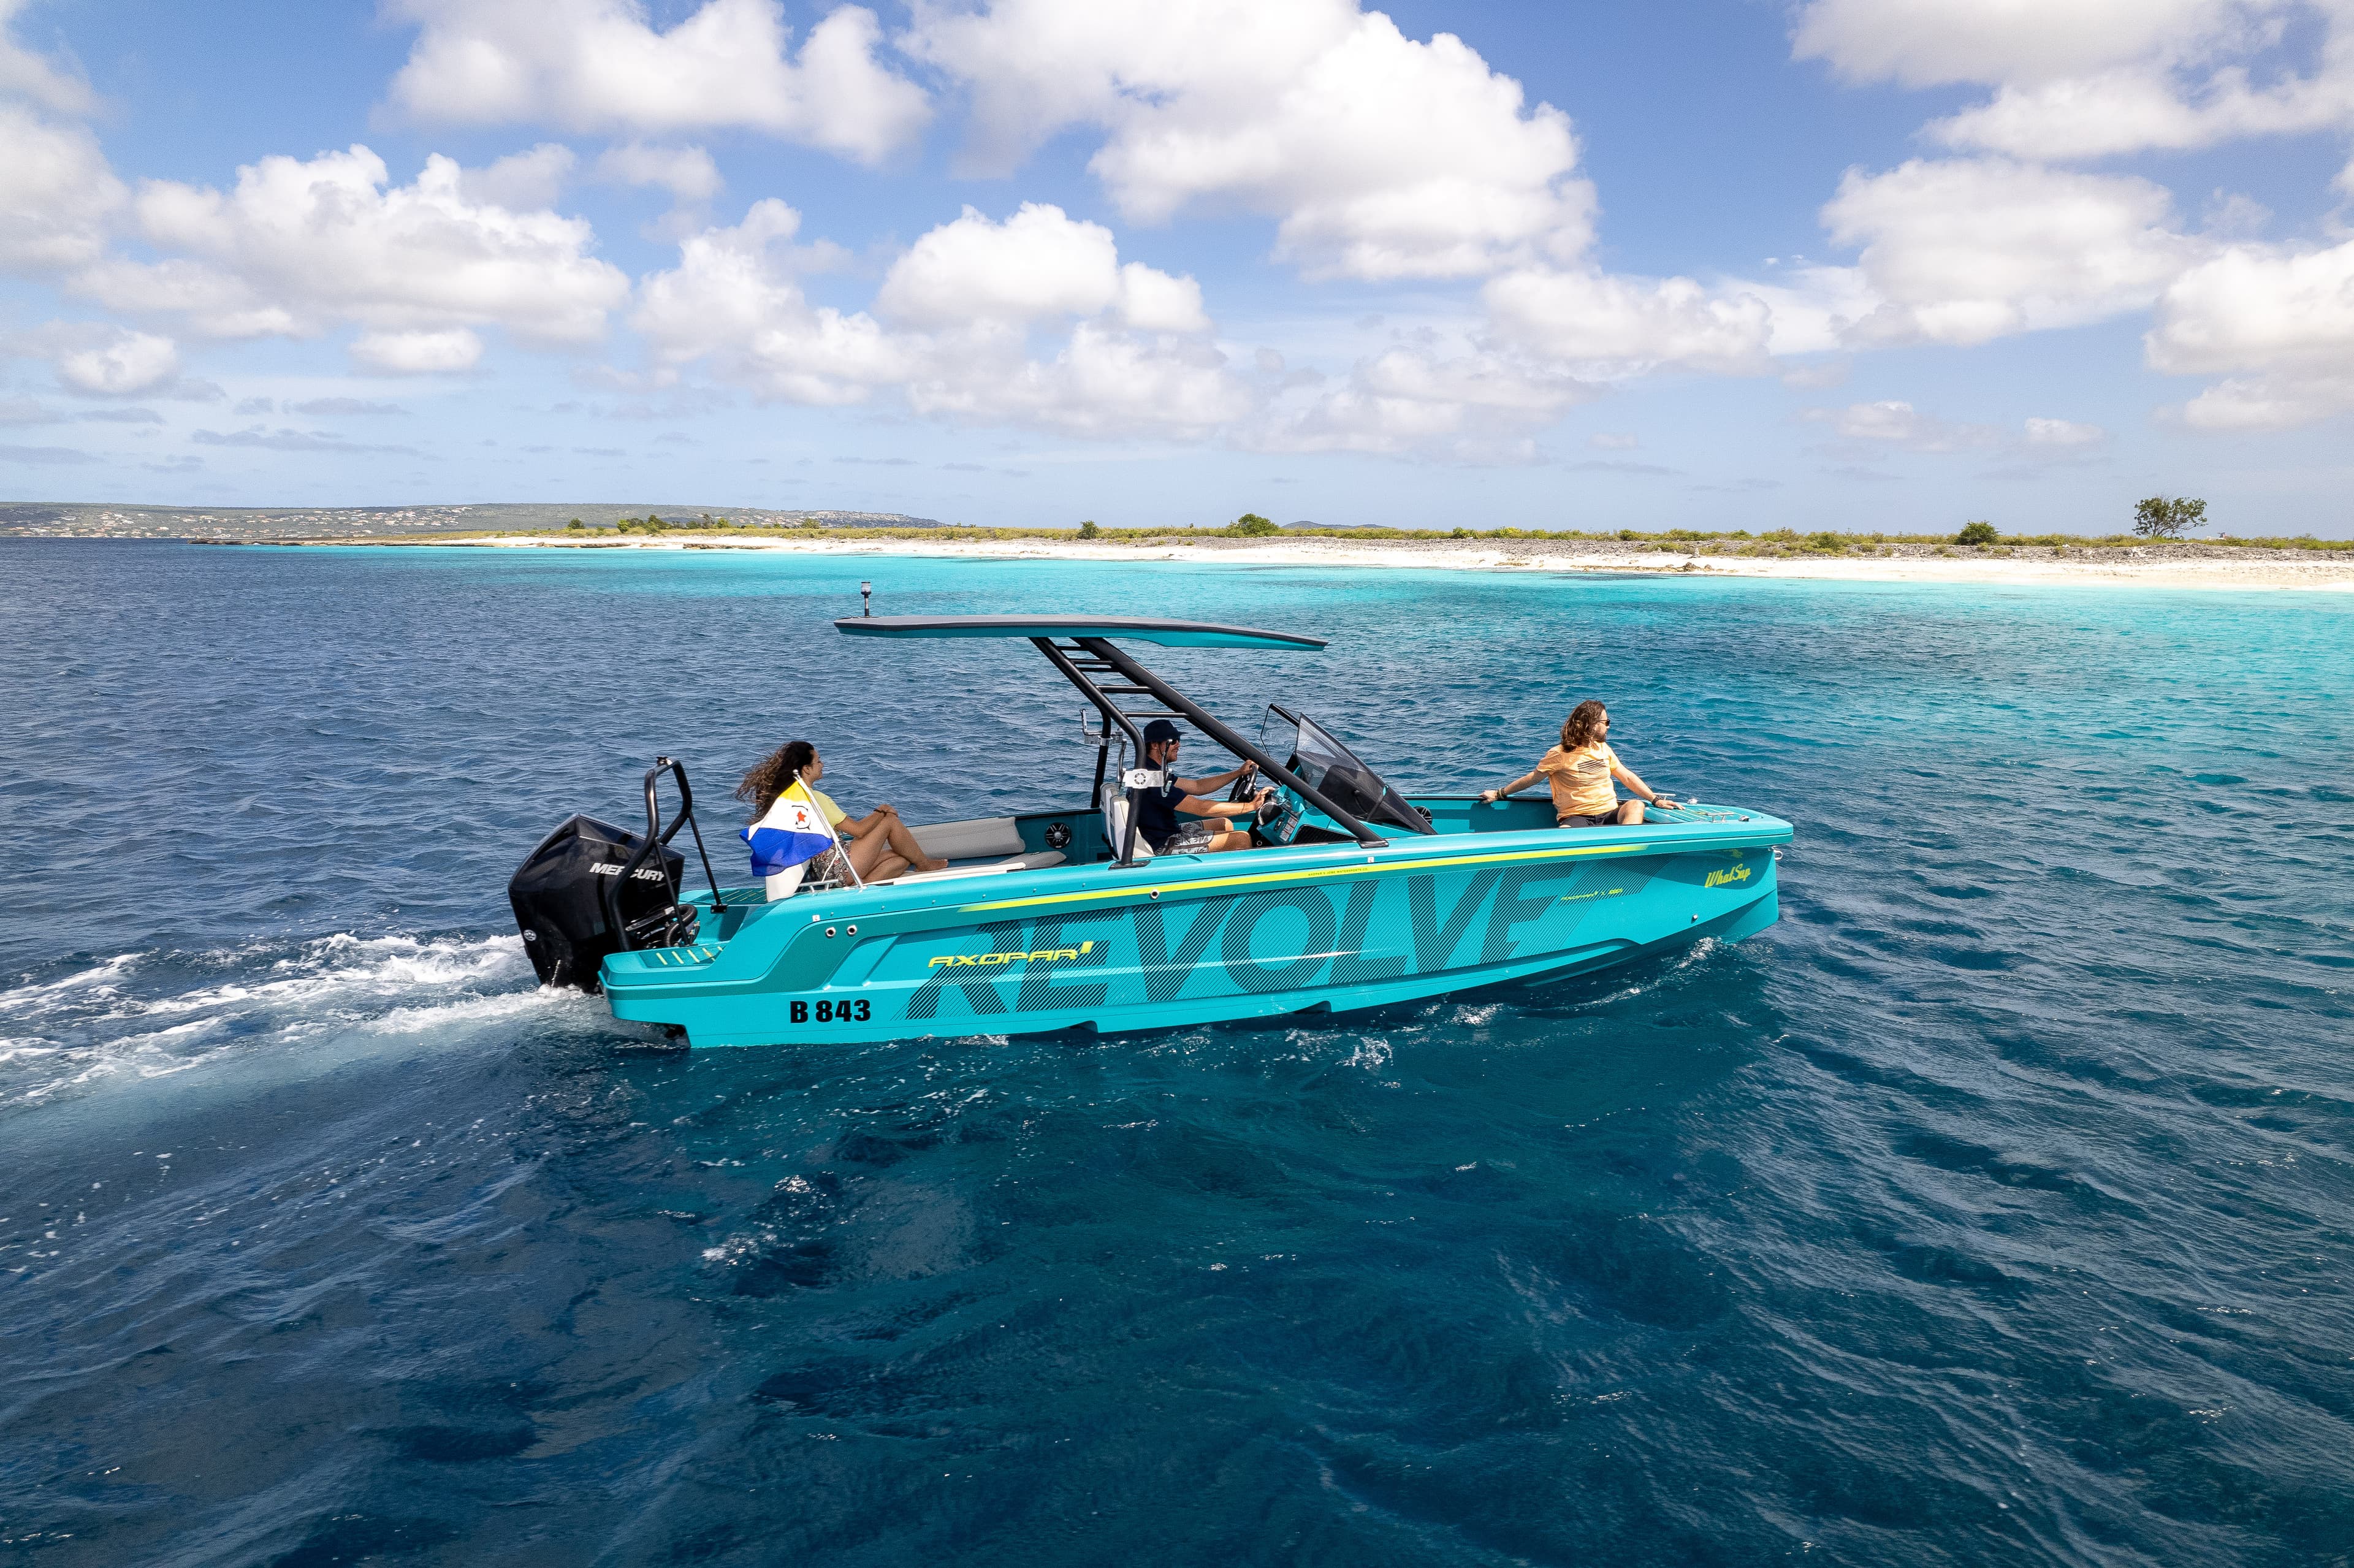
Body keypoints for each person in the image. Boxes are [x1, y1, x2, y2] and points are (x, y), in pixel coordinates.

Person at [736, 740, 947, 884]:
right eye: (818, 761)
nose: (822, 764)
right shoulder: (815, 799)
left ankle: (862, 885)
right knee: (889, 820)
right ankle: (925, 865)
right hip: (838, 866)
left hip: (824, 870)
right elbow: (858, 831)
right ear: (807, 769)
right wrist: (880, 811)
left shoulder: (793, 800)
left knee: (901, 858)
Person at [1477, 700, 1677, 827]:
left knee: (1635, 805)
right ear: (1591, 725)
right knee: (1563, 837)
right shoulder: (1559, 754)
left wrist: (1655, 800)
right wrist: (1499, 794)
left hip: (1609, 813)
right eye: (1606, 722)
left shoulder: (1602, 748)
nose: (1608, 727)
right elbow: (1532, 779)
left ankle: (1625, 854)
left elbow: (1627, 777)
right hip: (1578, 817)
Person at [1126, 718, 1273, 854]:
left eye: (1179, 740)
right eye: (1174, 741)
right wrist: (1251, 806)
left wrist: (1238, 773)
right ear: (1155, 745)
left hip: (1165, 832)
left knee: (1224, 823)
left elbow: (1197, 786)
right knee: (1241, 839)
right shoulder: (1154, 781)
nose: (1179, 745)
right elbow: (1201, 808)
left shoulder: (1150, 771)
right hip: (1162, 844)